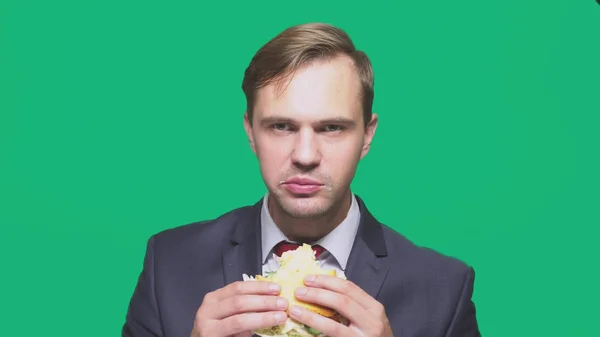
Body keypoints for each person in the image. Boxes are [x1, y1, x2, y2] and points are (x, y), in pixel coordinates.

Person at [122, 22, 481, 337]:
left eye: (332, 127)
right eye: (281, 126)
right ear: (250, 131)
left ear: (367, 135)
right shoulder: (167, 265)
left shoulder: (444, 290)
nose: (305, 155)